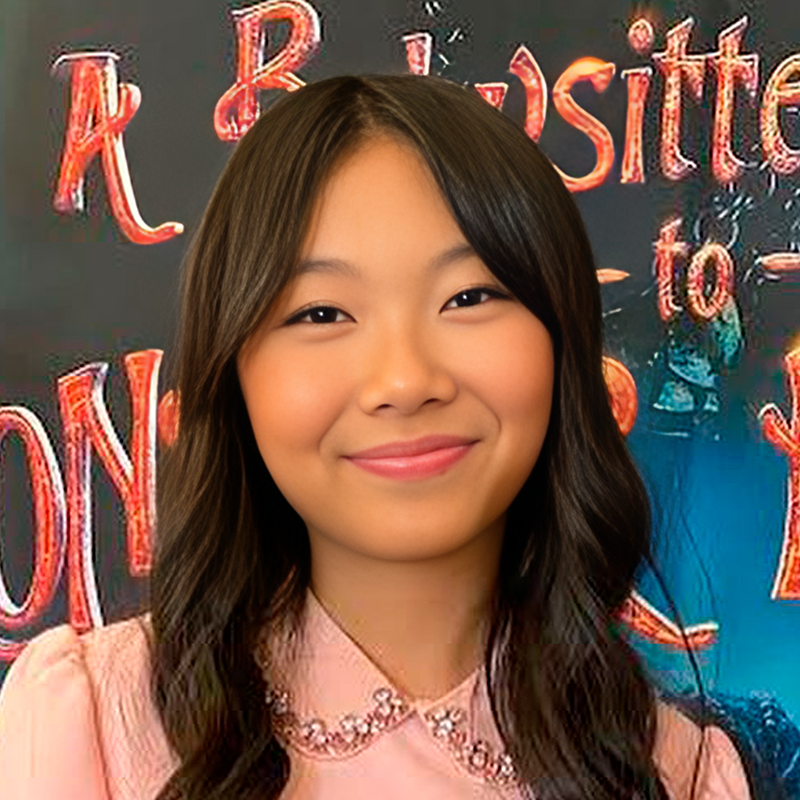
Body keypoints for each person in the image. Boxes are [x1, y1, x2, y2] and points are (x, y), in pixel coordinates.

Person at [0, 73, 753, 800]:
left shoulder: (675, 770)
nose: (404, 380)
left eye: (469, 296)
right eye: (322, 313)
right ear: (235, 373)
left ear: (562, 344)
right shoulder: (91, 723)